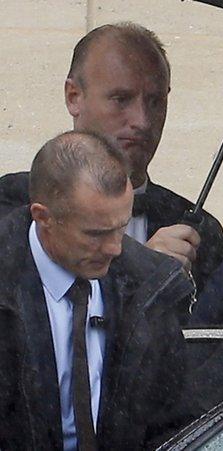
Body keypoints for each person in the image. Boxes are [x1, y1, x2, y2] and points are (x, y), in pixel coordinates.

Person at [0, 131, 196, 450]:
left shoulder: (149, 285)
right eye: (96, 234)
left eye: (121, 228)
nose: (115, 248)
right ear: (43, 217)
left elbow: (174, 424)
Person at [0, 22, 223, 291]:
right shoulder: (14, 203)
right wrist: (142, 266)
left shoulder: (199, 230)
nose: (142, 121)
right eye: (121, 99)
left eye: (155, 102)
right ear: (74, 97)